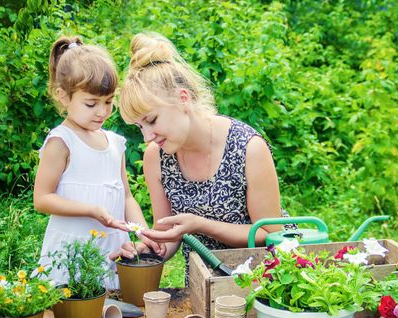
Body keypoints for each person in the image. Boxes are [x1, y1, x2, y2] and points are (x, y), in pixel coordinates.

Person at [110, 32, 285, 284]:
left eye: (152, 120)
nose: (147, 136)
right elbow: (168, 235)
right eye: (139, 127)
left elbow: (269, 233)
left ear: (183, 99)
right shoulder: (156, 156)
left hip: (263, 280)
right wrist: (149, 248)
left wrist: (199, 224)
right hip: (202, 284)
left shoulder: (248, 148)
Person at [33, 36, 162, 289]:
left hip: (112, 247)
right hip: (72, 249)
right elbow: (42, 199)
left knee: (114, 310)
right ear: (63, 96)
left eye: (108, 102)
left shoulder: (115, 143)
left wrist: (143, 232)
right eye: (91, 104)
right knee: (73, 312)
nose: (102, 112)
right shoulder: (62, 141)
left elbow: (125, 197)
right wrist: (91, 210)